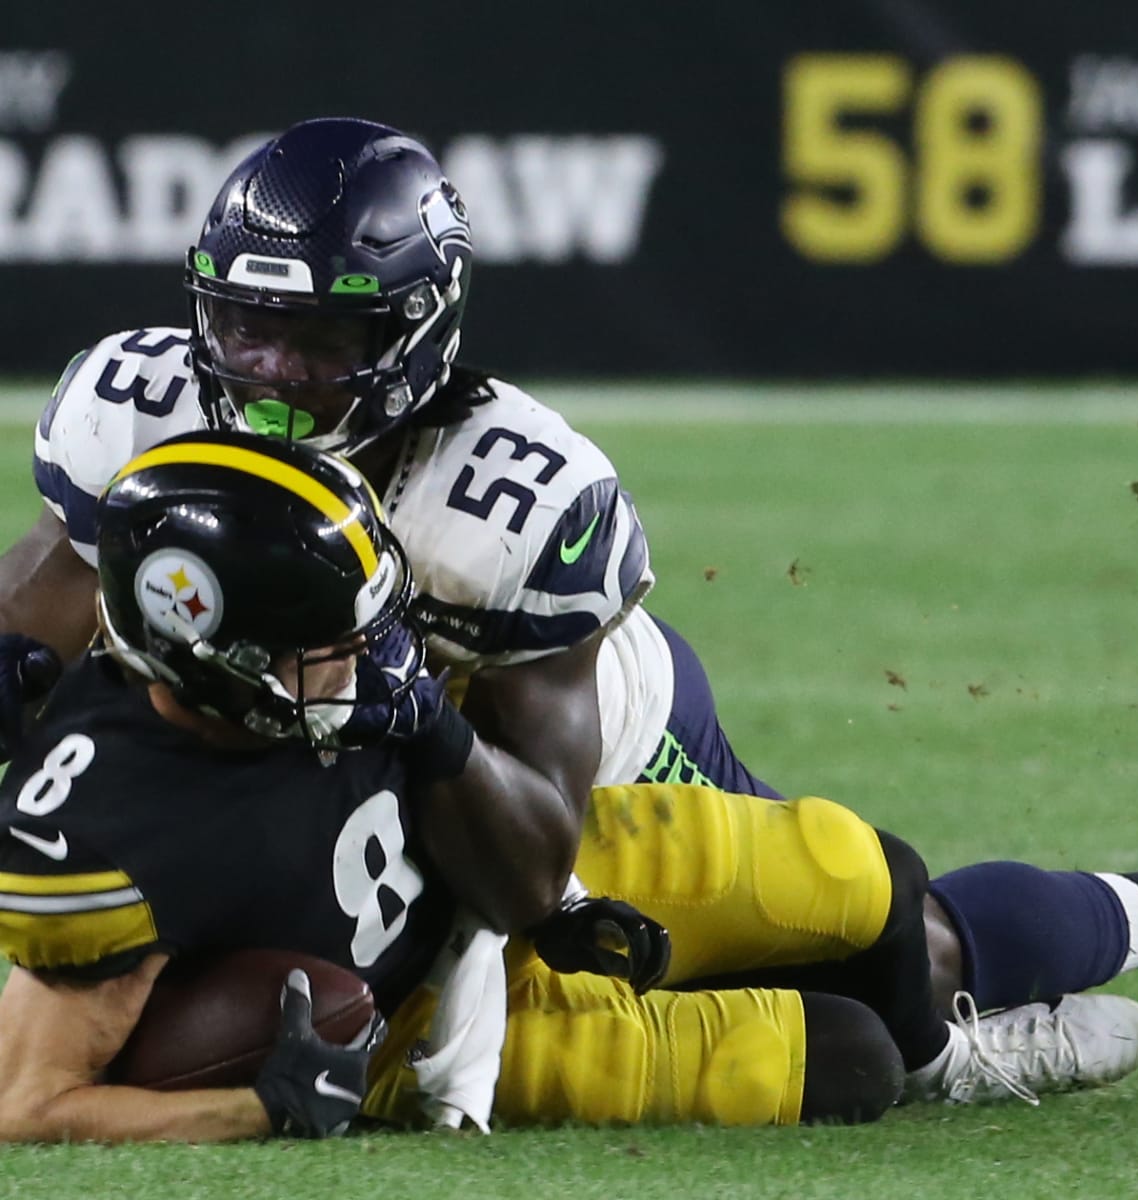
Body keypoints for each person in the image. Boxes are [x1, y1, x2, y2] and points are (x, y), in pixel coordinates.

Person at [0, 116, 1138, 1068]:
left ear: (419, 332)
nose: (266, 378)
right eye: (245, 328)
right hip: (341, 761)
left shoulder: (509, 502)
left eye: (316, 341)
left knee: (863, 942)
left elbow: (526, 876)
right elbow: (25, 646)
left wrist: (412, 707)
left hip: (560, 733)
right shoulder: (136, 411)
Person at [0, 431, 994, 1141]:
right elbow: (27, 1104)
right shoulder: (101, 827)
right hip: (411, 1034)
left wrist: (550, 898)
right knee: (846, 1057)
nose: (368, 655)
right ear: (216, 657)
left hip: (487, 869)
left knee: (868, 873)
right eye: (330, 643)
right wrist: (260, 1106)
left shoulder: (300, 679)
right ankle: (971, 1046)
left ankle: (1115, 934)